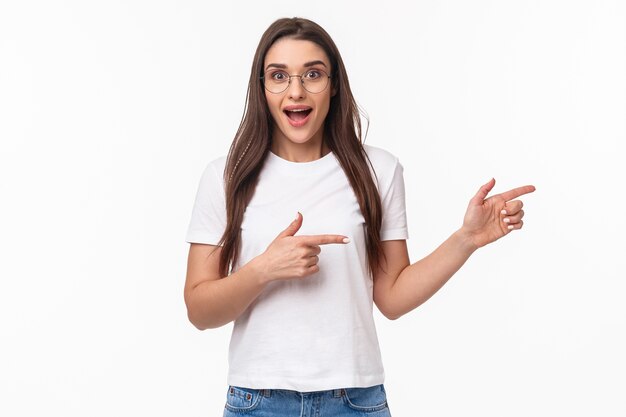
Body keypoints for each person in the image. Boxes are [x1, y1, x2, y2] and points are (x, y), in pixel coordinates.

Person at [184, 17, 535, 417]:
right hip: (257, 400)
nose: (295, 91)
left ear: (333, 85)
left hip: (354, 401)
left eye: (312, 74)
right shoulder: (225, 176)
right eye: (278, 76)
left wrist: (466, 239)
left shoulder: (378, 171)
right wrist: (264, 269)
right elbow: (199, 310)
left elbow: (392, 298)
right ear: (262, 87)